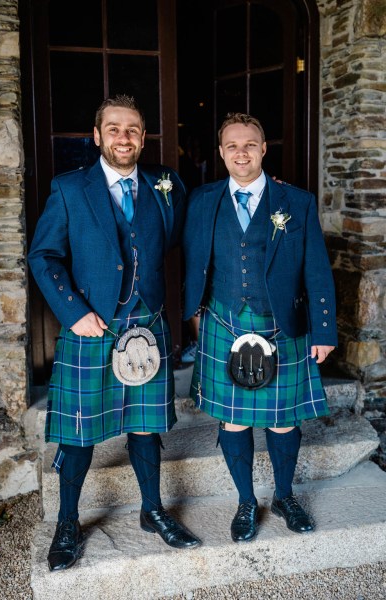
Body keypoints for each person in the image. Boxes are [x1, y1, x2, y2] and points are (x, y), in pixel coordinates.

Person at [28, 94, 201, 572]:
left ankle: (152, 511)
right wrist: (73, 311)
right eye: (115, 129)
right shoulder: (69, 189)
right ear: (98, 134)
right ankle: (68, 522)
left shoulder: (166, 186)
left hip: (147, 323)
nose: (124, 138)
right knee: (78, 434)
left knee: (145, 428)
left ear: (143, 138)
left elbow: (189, 230)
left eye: (133, 130)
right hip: (91, 325)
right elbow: (43, 257)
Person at [182, 113, 337, 543]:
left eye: (250, 144)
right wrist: (190, 313)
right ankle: (246, 500)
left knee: (283, 420)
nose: (241, 153)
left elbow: (318, 271)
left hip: (281, 324)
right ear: (221, 152)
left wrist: (323, 332)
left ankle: (285, 496)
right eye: (232, 146)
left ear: (264, 148)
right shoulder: (202, 199)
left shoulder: (297, 202)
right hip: (224, 320)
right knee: (233, 420)